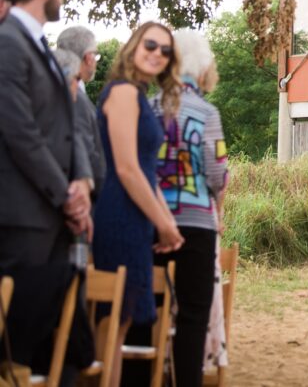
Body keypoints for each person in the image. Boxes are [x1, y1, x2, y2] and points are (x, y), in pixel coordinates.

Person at [0, 0, 93, 385]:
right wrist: (65, 193)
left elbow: (67, 126)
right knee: (15, 346)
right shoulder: (8, 43)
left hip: (54, 216)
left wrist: (80, 185)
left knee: (52, 343)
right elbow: (20, 131)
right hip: (23, 217)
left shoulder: (39, 44)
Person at [91, 22, 185, 386]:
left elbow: (146, 172)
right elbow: (127, 169)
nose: (157, 54)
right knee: (112, 318)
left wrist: (167, 222)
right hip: (119, 214)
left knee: (122, 320)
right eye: (150, 45)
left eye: (166, 51)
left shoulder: (138, 95)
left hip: (136, 217)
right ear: (133, 46)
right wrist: (162, 223)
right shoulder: (123, 92)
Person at [150, 30, 230, 387]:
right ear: (201, 68)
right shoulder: (207, 113)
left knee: (150, 311)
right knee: (193, 316)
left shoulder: (148, 108)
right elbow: (218, 172)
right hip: (197, 224)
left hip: (153, 220)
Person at [57, 26, 106, 201]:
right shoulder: (74, 97)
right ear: (88, 57)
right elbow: (86, 150)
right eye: (95, 55)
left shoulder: (55, 90)